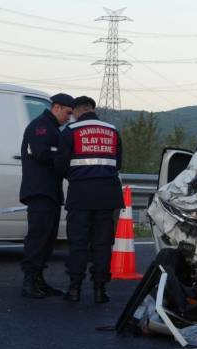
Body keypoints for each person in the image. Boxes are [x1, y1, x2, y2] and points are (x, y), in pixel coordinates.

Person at [55, 96, 124, 303]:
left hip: (81, 194)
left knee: (78, 243)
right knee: (102, 244)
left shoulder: (71, 131)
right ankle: (100, 290)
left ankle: (74, 289)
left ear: (76, 111)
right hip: (108, 194)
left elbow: (60, 165)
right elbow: (118, 163)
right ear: (93, 109)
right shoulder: (112, 130)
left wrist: (77, 176)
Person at [19, 93, 74, 298]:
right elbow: (42, 153)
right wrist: (63, 157)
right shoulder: (41, 126)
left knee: (48, 238)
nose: (69, 117)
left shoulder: (52, 128)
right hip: (40, 191)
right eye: (68, 112)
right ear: (57, 107)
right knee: (38, 236)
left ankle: (39, 279)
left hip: (50, 191)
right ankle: (29, 281)